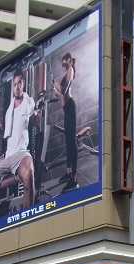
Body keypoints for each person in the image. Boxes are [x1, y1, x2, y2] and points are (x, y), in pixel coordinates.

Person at [0, 72, 38, 223]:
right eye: (15, 84)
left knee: (29, 174)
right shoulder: (9, 111)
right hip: (7, 157)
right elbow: (7, 136)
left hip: (21, 154)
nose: (17, 87)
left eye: (19, 83)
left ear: (23, 85)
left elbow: (35, 121)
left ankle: (26, 223)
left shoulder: (28, 103)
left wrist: (37, 114)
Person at [52, 52, 79, 192]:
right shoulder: (67, 72)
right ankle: (68, 172)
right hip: (67, 108)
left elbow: (64, 92)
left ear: (69, 60)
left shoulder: (70, 70)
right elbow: (62, 94)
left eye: (65, 62)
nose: (63, 65)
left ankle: (74, 178)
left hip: (70, 107)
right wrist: (56, 87)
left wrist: (56, 89)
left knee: (72, 142)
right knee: (68, 141)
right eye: (62, 63)